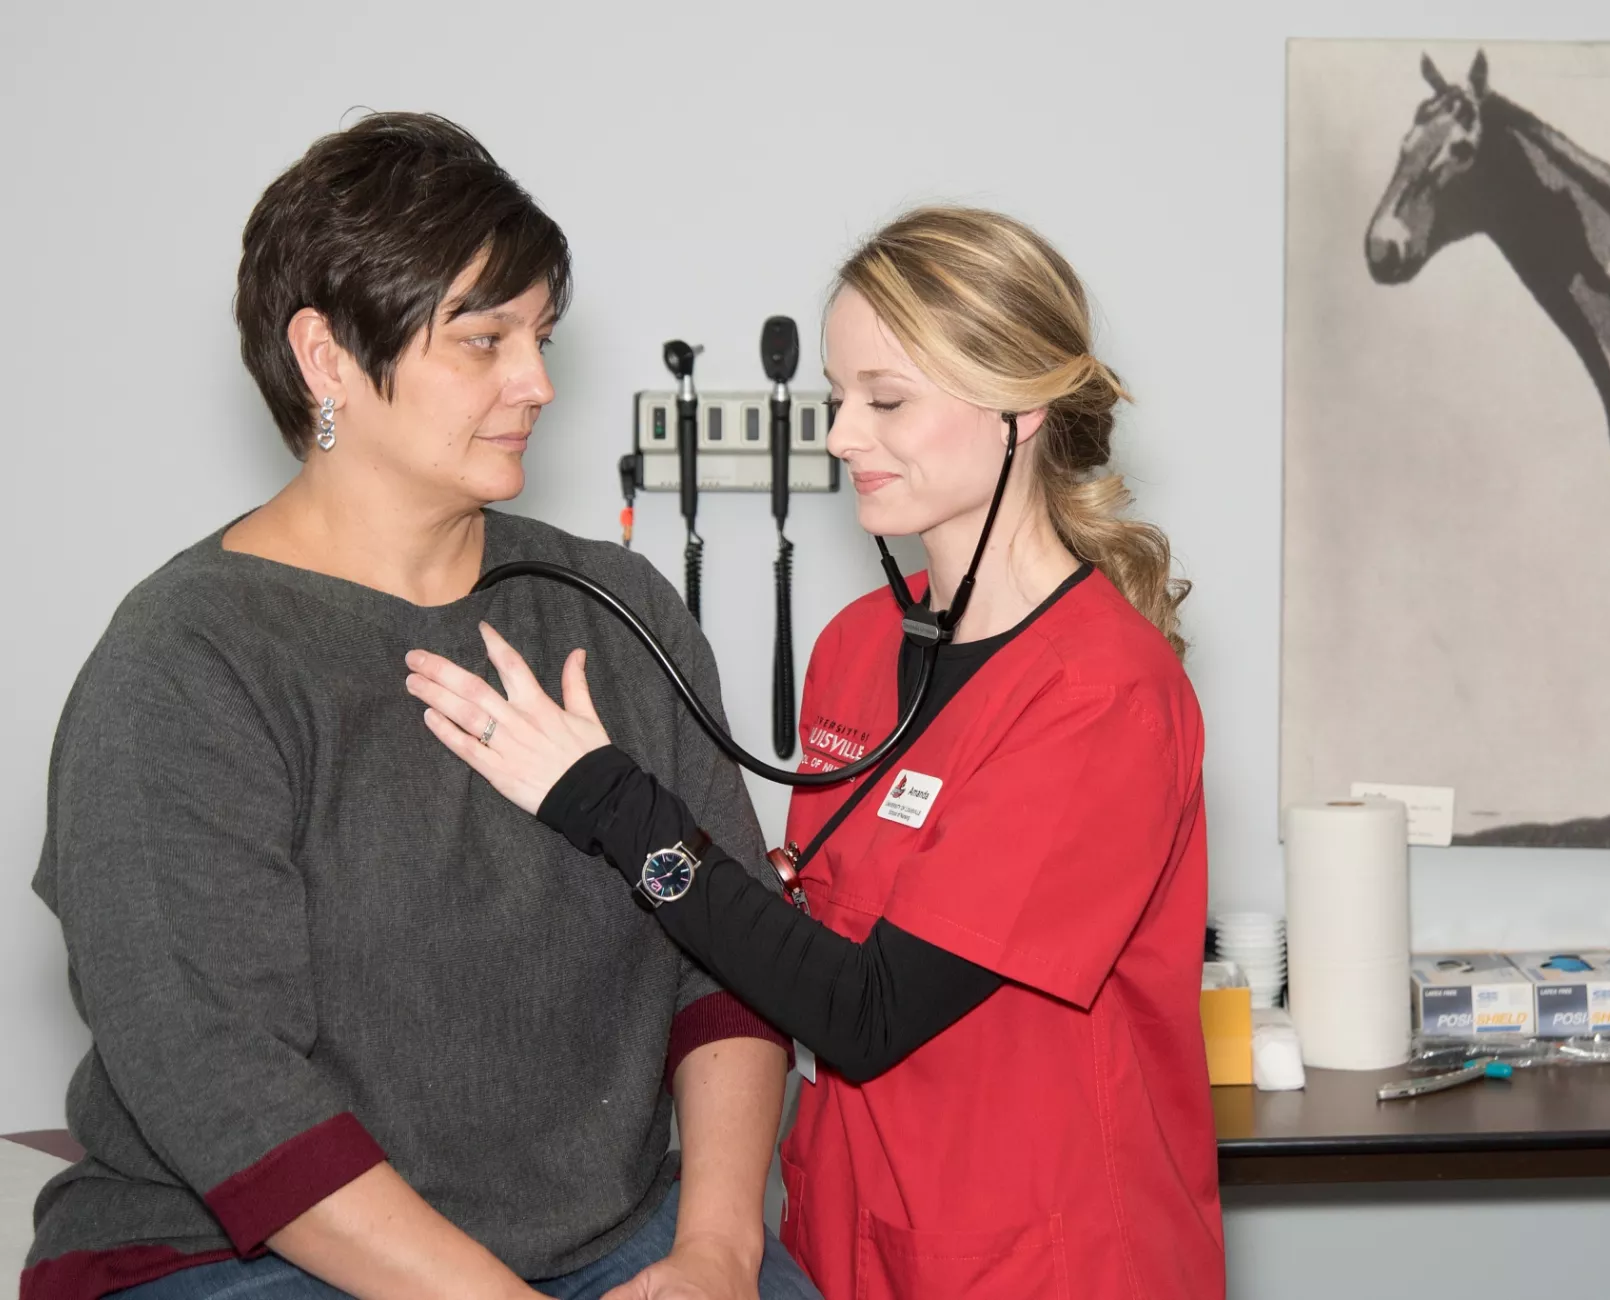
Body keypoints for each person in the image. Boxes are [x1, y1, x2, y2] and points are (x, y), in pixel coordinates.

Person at [25, 112, 819, 1300]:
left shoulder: (614, 607)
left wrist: (715, 1250)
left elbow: (729, 959)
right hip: (248, 1252)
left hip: (609, 1241)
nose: (537, 383)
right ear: (326, 356)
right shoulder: (186, 661)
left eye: (540, 336)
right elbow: (217, 1076)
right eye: (484, 339)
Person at [408, 207, 1225, 1300]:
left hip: (1042, 1252)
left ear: (1019, 410)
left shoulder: (1102, 695)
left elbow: (864, 1011)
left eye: (885, 401)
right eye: (837, 398)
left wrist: (606, 799)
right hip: (846, 1233)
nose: (840, 437)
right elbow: (789, 937)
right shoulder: (855, 646)